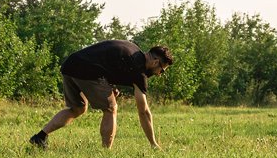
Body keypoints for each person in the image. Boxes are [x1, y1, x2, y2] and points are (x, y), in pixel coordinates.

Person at [29, 40, 173, 150]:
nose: (160, 75)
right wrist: (154, 143)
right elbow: (144, 112)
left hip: (70, 65)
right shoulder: (139, 71)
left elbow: (106, 60)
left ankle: (40, 137)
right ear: (155, 62)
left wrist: (110, 85)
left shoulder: (133, 48)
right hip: (86, 71)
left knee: (77, 109)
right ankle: (106, 152)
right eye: (162, 70)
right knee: (111, 108)